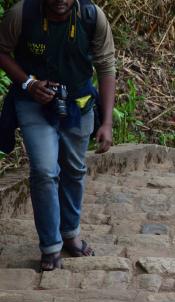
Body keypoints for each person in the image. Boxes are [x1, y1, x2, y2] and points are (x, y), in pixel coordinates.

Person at [0, 0, 116, 270]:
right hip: (33, 103)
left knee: (75, 169)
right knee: (44, 170)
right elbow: (2, 51)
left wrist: (107, 122)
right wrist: (28, 83)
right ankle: (51, 246)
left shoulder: (91, 16)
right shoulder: (22, 14)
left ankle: (70, 234)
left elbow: (106, 66)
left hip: (78, 103)